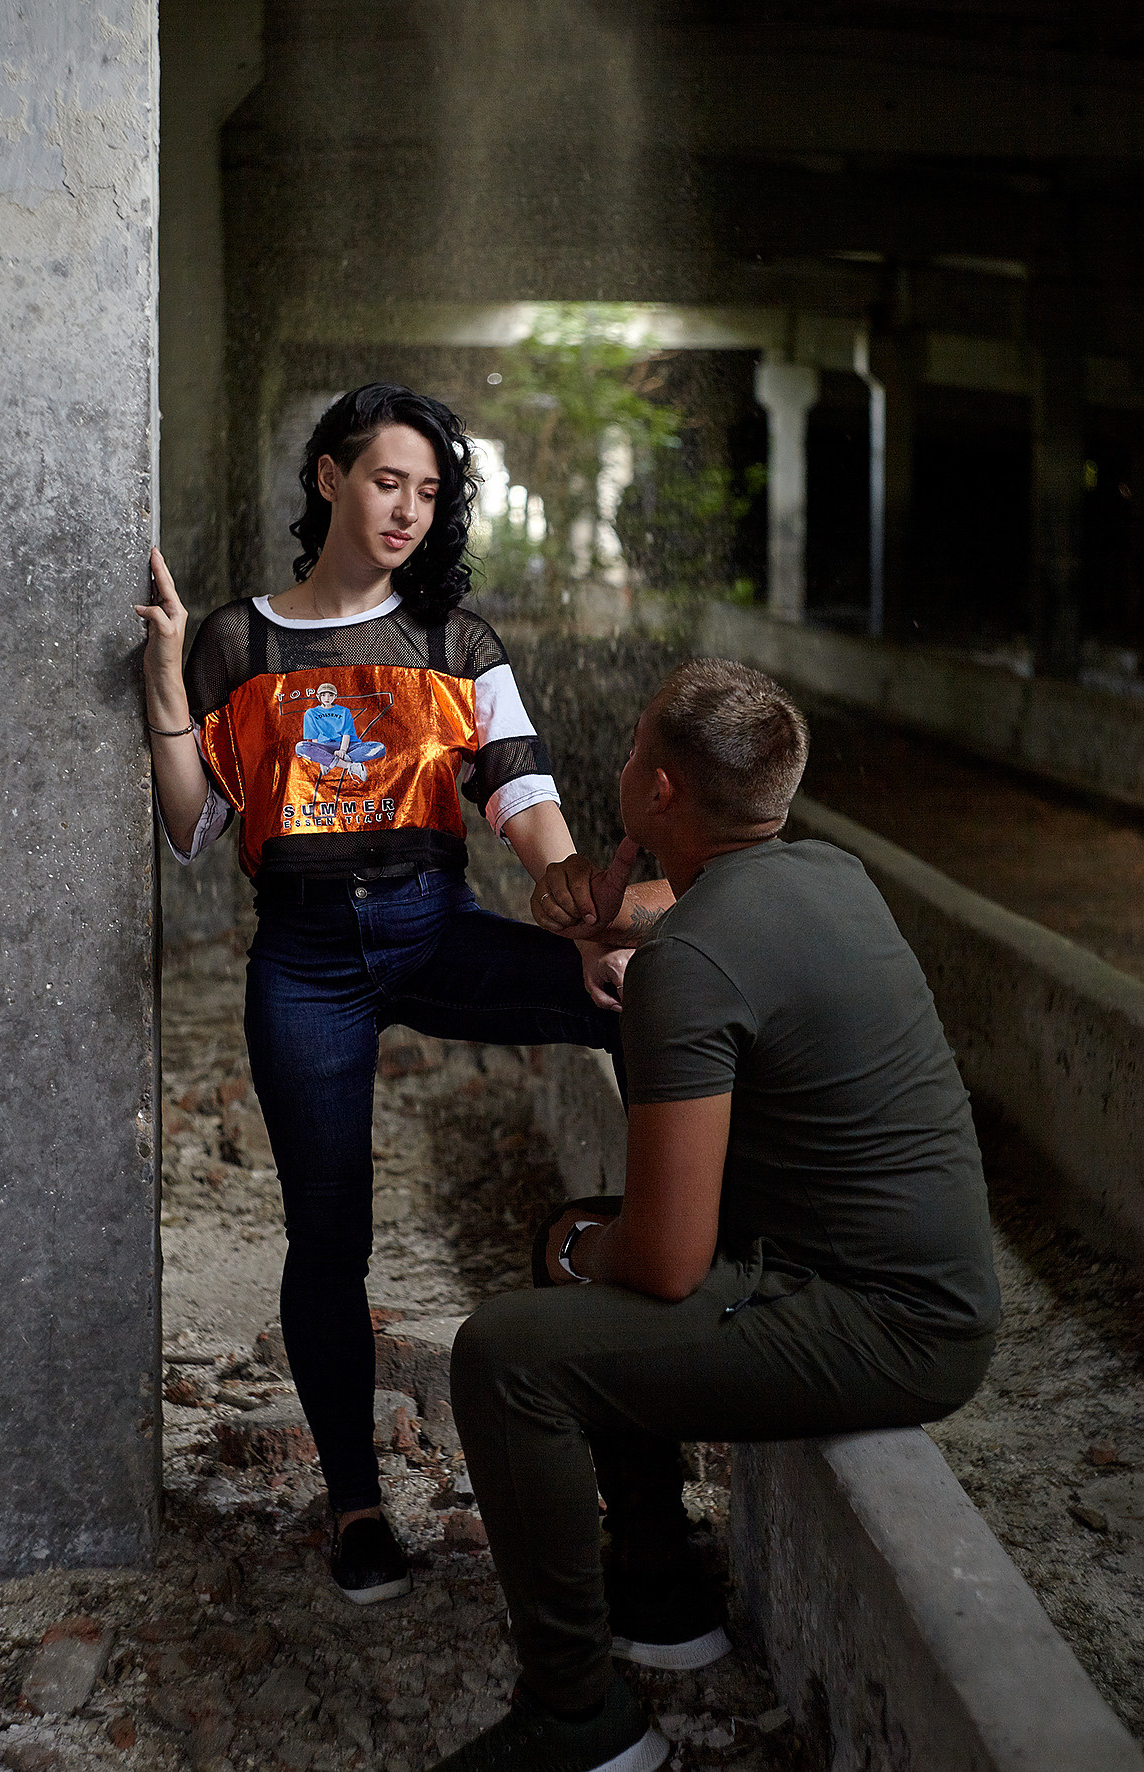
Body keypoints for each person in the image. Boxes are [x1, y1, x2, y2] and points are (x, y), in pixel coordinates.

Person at [135, 384, 670, 1606]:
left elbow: (519, 788)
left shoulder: (455, 641)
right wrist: (170, 678)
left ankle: (677, 1240)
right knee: (330, 1236)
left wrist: (574, 903)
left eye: (430, 494)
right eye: (388, 482)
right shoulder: (240, 642)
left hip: (438, 934)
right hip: (307, 964)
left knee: (636, 996)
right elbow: (191, 824)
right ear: (327, 477)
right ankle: (356, 1500)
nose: (409, 511)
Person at [432, 659, 1002, 1772]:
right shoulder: (830, 872)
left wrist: (573, 1246)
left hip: (881, 1324)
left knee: (508, 1352)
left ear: (657, 790)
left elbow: (660, 1259)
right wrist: (613, 908)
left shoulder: (686, 965)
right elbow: (692, 913)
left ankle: (579, 1720)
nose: (622, 764)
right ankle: (658, 1593)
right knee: (576, 1260)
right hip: (915, 1290)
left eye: (634, 750)